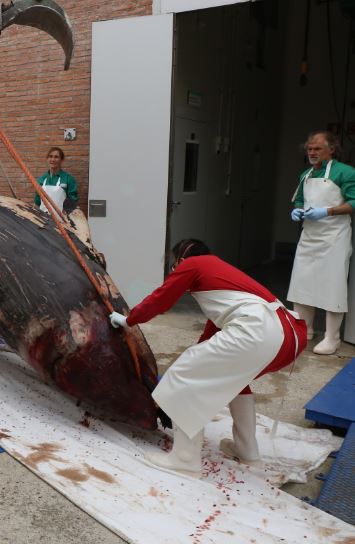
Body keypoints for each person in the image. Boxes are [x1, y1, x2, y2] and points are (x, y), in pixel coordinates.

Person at [109, 239, 306, 477]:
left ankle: (184, 459)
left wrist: (129, 320)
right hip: (289, 337)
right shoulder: (222, 275)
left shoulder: (193, 264)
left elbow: (161, 298)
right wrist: (198, 367)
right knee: (233, 381)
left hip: (258, 330)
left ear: (181, 259)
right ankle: (247, 451)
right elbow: (211, 334)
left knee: (184, 376)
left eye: (174, 265)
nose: (174, 269)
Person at [287, 130, 355, 355]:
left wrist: (327, 211)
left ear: (332, 149)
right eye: (309, 149)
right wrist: (297, 210)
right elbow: (298, 199)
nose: (312, 153)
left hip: (334, 238)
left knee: (332, 286)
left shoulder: (345, 172)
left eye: (317, 148)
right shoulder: (305, 175)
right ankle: (303, 330)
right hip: (309, 237)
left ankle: (332, 338)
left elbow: (354, 203)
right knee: (301, 283)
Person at [34, 147, 78, 213]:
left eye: (56, 157)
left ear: (61, 160)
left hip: (61, 220)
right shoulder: (41, 180)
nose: (53, 159)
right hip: (43, 220)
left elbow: (73, 204)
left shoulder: (68, 179)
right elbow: (37, 203)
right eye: (50, 156)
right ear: (47, 159)